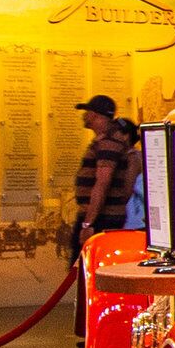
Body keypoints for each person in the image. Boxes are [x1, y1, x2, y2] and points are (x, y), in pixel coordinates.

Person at [71, 93, 139, 246]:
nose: (84, 116)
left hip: (102, 219)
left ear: (95, 115)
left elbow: (103, 182)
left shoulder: (108, 142)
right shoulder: (106, 140)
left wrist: (88, 224)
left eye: (87, 112)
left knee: (89, 259)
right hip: (99, 217)